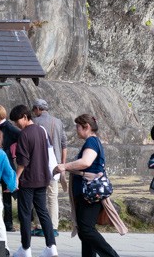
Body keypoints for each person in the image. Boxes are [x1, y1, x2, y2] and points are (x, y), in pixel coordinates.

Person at [54, 114, 119, 257]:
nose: (76, 129)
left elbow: (86, 162)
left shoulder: (91, 142)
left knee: (86, 229)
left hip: (90, 192)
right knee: (85, 230)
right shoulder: (92, 142)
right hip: (88, 191)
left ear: (87, 127)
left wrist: (65, 166)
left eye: (78, 126)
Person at [8, 104, 57, 257]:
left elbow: (23, 161)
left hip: (28, 179)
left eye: (17, 121)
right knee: (43, 212)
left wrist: (16, 177)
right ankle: (51, 246)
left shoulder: (24, 134)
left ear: (24, 117)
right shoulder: (42, 131)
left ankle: (26, 248)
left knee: (25, 213)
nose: (17, 124)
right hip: (43, 177)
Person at [31, 98, 67, 237]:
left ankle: (40, 226)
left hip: (39, 164)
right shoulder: (58, 122)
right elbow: (64, 144)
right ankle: (54, 227)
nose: (34, 112)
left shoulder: (35, 122)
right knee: (53, 196)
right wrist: (62, 163)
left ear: (38, 109)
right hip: (56, 165)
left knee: (39, 196)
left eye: (34, 109)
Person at [0, 104, 20, 233]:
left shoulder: (9, 127)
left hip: (6, 162)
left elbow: (21, 137)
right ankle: (2, 222)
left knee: (9, 193)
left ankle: (10, 223)